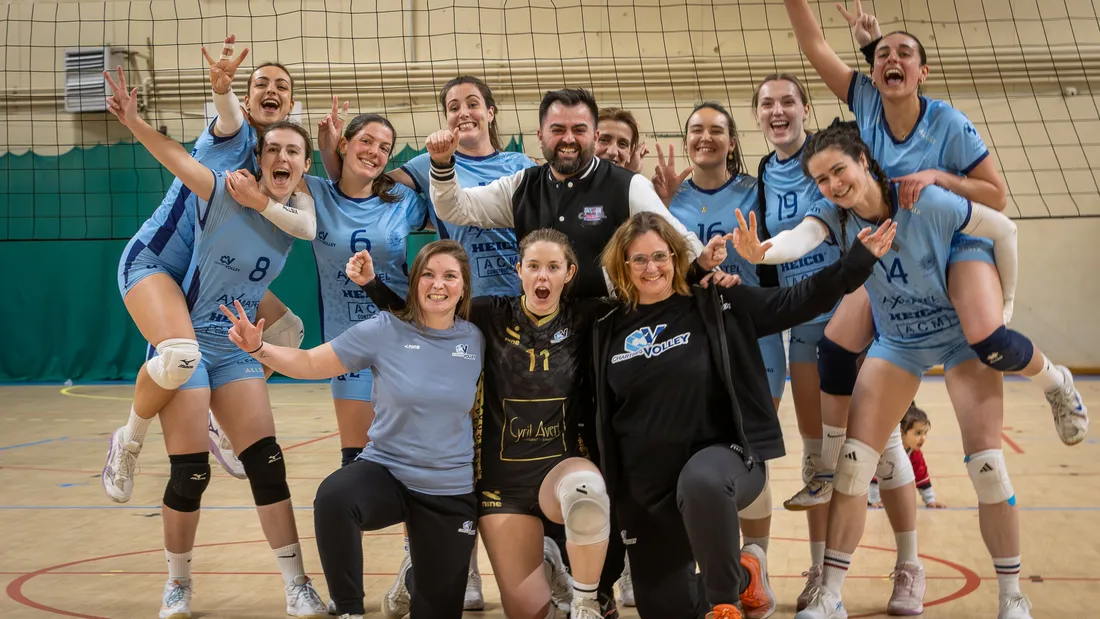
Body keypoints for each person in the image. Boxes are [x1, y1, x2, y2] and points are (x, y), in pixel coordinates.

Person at [781, 0, 1086, 516]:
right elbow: (814, 46)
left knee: (989, 339)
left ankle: (1055, 381)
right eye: (883, 55)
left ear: (924, 71)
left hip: (956, 239)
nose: (891, 60)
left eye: (905, 53)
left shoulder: (947, 121)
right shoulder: (867, 101)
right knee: (833, 350)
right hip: (891, 241)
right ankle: (828, 469)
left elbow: (996, 196)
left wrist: (938, 176)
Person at [731, 123, 1032, 619]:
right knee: (851, 465)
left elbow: (1005, 227)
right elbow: (801, 238)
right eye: (821, 179)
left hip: (958, 338)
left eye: (838, 171)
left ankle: (1012, 595)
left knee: (988, 470)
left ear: (864, 162)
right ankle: (830, 594)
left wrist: (1006, 309)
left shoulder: (924, 201)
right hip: (900, 343)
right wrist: (763, 251)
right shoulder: (835, 214)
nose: (832, 185)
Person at [351, 228, 694, 619]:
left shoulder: (589, 316)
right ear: (519, 271)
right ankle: (420, 578)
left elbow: (653, 299)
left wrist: (703, 273)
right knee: (528, 612)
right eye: (533, 266)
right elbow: (423, 317)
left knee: (589, 495)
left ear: (570, 272)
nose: (542, 277)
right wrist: (373, 285)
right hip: (501, 486)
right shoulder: (487, 315)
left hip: (560, 468)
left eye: (552, 267)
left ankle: (585, 601)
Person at [102, 67, 328, 618]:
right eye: (273, 149)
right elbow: (191, 145)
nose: (281, 157)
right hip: (158, 268)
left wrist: (323, 149)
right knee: (183, 391)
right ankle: (129, 447)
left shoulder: (294, 204)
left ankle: (297, 585)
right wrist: (136, 118)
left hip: (231, 332)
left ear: (302, 169)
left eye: (293, 154)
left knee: (268, 459)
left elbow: (307, 227)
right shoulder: (226, 166)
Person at [591, 211, 891, 619]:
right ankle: (746, 577)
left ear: (676, 258)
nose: (651, 268)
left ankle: (724, 605)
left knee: (702, 481)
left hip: (725, 459)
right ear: (623, 266)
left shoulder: (721, 302)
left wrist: (856, 261)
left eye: (660, 256)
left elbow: (797, 300)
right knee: (665, 608)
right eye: (638, 259)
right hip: (648, 492)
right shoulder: (607, 326)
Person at [319, 76, 537, 611]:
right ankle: (448, 567)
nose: (463, 112)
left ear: (491, 111)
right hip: (457, 318)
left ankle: (530, 558)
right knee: (436, 446)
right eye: (452, 106)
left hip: (515, 322)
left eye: (472, 104)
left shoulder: (521, 168)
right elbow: (359, 182)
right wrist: (332, 147)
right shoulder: (422, 166)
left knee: (511, 446)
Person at [223, 240, 485, 619]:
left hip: (449, 489)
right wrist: (259, 348)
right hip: (389, 472)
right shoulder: (385, 330)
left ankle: (413, 581)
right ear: (414, 283)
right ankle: (349, 610)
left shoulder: (476, 338)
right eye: (428, 274)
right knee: (335, 497)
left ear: (463, 287)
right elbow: (311, 361)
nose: (438, 284)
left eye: (449, 276)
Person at [104, 37, 313, 500]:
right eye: (260, 83)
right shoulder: (235, 131)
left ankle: (219, 422)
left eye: (281, 85)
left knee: (286, 331)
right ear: (248, 95)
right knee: (181, 355)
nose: (270, 90)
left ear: (291, 104)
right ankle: (129, 440)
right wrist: (222, 88)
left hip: (212, 273)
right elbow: (229, 111)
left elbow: (311, 212)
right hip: (155, 263)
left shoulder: (279, 158)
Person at [751, 74, 923, 613]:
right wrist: (764, 252)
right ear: (756, 115)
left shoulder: (842, 157)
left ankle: (908, 565)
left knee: (883, 448)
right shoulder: (764, 173)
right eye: (766, 103)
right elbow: (806, 231)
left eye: (787, 101)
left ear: (805, 108)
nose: (778, 111)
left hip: (862, 317)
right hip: (807, 328)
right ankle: (821, 574)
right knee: (818, 461)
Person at [650, 101, 785, 587]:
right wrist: (660, 201)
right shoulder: (668, 199)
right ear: (686, 141)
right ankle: (710, 563)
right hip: (690, 344)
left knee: (752, 451)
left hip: (752, 341)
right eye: (696, 130)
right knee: (700, 456)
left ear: (732, 141)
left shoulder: (759, 192)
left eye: (717, 130)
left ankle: (757, 564)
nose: (705, 138)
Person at [425, 87, 706, 300]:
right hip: (542, 333)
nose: (568, 139)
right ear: (540, 136)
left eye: (579, 130)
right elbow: (454, 208)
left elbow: (683, 245)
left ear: (595, 137)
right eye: (557, 129)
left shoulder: (629, 185)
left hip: (609, 330)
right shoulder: (521, 185)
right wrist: (441, 164)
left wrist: (708, 270)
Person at [307, 111, 429, 469]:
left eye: (384, 147)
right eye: (366, 141)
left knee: (412, 461)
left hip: (403, 340)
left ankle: (416, 527)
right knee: (356, 462)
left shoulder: (403, 201)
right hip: (347, 348)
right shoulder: (315, 193)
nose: (375, 151)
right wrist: (323, 147)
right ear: (344, 144)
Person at [868, 403, 944, 509]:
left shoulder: (915, 453)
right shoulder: (886, 449)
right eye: (918, 433)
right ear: (901, 433)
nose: (923, 438)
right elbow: (872, 474)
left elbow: (921, 475)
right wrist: (873, 500)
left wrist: (930, 501)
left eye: (925, 433)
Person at [596, 107, 648, 173]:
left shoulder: (635, 181)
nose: (613, 152)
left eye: (622, 144)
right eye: (604, 140)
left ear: (630, 153)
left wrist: (631, 175)